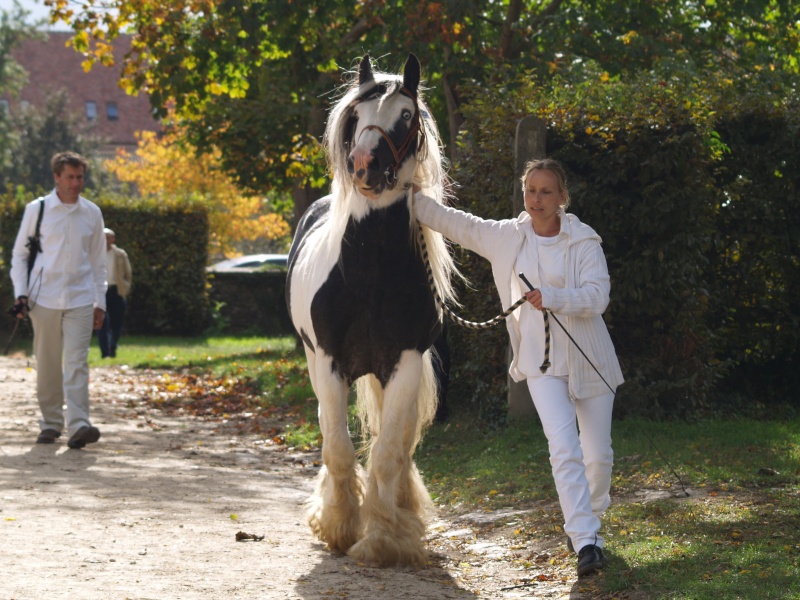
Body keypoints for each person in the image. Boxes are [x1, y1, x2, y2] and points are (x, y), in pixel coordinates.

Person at [414, 158, 624, 577]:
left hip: (592, 361)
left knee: (597, 457)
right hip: (541, 364)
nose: (537, 199)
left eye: (546, 191)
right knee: (563, 449)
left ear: (562, 197)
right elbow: (459, 223)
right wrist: (409, 197)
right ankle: (585, 540)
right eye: (531, 190)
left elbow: (597, 297)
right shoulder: (508, 236)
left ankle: (589, 521)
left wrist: (554, 297)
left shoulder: (583, 240)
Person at [10, 151, 107, 449]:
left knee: (77, 362)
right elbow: (19, 255)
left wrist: (99, 301)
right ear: (56, 177)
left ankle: (79, 425)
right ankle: (51, 423)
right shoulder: (37, 210)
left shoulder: (92, 212)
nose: (76, 183)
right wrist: (21, 295)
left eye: (80, 177)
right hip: (44, 299)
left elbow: (98, 261)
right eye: (70, 177)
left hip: (80, 298)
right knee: (49, 363)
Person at [98, 228, 132, 358]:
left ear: (113, 239)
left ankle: (113, 346)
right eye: (103, 237)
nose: (105, 240)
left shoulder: (120, 254)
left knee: (117, 322)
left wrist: (125, 287)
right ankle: (104, 352)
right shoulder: (95, 253)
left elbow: (128, 273)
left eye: (108, 237)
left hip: (116, 290)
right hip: (100, 291)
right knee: (101, 321)